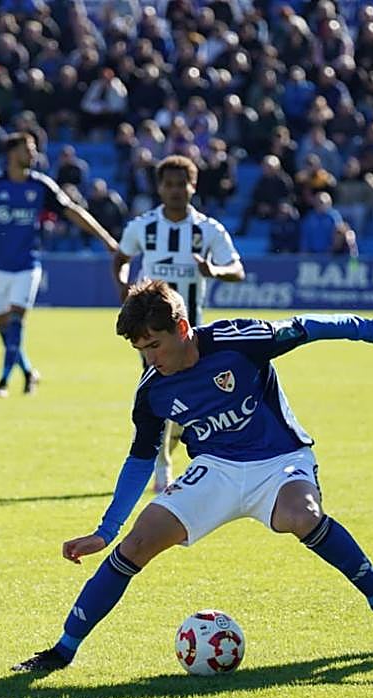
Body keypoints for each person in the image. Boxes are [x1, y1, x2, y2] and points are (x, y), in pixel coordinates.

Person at [12, 281, 373, 672]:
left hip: (278, 460)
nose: (150, 359)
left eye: (155, 345)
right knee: (136, 543)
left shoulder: (238, 341)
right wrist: (105, 531)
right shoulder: (152, 392)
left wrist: (371, 329)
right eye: (142, 350)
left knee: (303, 517)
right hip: (215, 470)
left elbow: (305, 327)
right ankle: (63, 650)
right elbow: (140, 460)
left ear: (182, 328)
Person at [0, 132, 119, 397]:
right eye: (28, 149)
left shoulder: (42, 185)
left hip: (27, 265)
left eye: (34, 149)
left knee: (17, 320)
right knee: (3, 325)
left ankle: (3, 382)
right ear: (11, 153)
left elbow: (72, 210)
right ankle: (28, 372)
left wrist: (106, 238)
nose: (34, 154)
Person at [113, 154, 245, 492]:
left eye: (181, 184)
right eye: (168, 184)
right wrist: (125, 294)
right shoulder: (144, 226)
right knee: (161, 397)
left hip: (192, 332)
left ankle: (164, 457)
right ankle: (162, 470)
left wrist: (213, 271)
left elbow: (237, 270)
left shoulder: (207, 230)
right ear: (159, 187)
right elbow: (121, 257)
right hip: (153, 335)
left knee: (184, 402)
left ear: (193, 185)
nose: (174, 191)